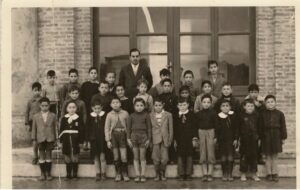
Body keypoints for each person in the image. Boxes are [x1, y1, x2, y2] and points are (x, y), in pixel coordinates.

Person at [261, 95, 287, 182]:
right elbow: (259, 127)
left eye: (272, 102)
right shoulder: (262, 114)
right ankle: (269, 173)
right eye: (268, 102)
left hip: (276, 136)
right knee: (267, 156)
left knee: (275, 156)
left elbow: (283, 126)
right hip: (266, 136)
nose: (270, 104)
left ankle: (275, 173)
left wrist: (283, 137)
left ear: (275, 103)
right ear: (265, 104)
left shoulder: (280, 114)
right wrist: (260, 138)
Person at [105, 97, 130, 182]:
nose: (115, 104)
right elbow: (107, 128)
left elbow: (129, 127)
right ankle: (118, 173)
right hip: (114, 136)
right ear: (111, 105)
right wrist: (108, 140)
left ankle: (125, 173)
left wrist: (128, 138)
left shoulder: (125, 113)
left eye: (117, 102)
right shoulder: (109, 114)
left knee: (123, 155)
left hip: (123, 135)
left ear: (120, 104)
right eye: (113, 102)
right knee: (116, 156)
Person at [127, 98, 152, 183]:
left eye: (141, 105)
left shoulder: (146, 115)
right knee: (136, 157)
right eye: (137, 105)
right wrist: (128, 139)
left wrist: (149, 139)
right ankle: (137, 175)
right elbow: (128, 129)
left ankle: (143, 175)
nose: (139, 107)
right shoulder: (131, 116)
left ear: (144, 106)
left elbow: (149, 128)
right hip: (134, 136)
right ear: (134, 106)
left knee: (142, 157)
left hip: (143, 137)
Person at [31, 97, 57, 181]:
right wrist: (34, 139)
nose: (44, 107)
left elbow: (56, 128)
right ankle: (42, 173)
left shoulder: (53, 115)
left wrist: (56, 139)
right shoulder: (36, 116)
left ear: (49, 105)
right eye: (43, 106)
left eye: (46, 105)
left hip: (50, 138)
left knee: (49, 155)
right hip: (40, 138)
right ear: (40, 106)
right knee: (41, 156)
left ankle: (48, 173)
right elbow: (34, 128)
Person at [59, 101, 84, 180]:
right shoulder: (64, 118)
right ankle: (68, 174)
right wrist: (60, 141)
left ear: (76, 109)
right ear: (66, 109)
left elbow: (82, 131)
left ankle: (75, 174)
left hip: (75, 139)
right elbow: (61, 130)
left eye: (73, 107)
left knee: (75, 156)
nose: (72, 109)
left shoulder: (79, 118)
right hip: (66, 139)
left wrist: (81, 141)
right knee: (67, 155)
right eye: (70, 107)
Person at [174, 98, 198, 181]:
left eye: (184, 105)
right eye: (180, 105)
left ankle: (188, 174)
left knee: (189, 156)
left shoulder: (192, 114)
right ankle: (181, 173)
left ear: (188, 105)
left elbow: (195, 126)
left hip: (189, 138)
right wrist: (175, 139)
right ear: (177, 106)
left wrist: (194, 138)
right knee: (180, 156)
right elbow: (174, 128)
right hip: (180, 139)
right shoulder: (176, 115)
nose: (182, 107)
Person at [238, 99, 262, 182]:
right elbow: (238, 129)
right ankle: (243, 174)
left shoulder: (257, 116)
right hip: (244, 140)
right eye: (248, 106)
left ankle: (254, 174)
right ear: (244, 107)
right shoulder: (241, 116)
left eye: (252, 106)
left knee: (254, 157)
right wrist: (238, 139)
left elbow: (260, 128)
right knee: (244, 157)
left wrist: (259, 138)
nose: (250, 107)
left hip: (254, 140)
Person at [215, 99, 239, 181]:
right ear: (220, 108)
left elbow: (236, 128)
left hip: (231, 140)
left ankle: (230, 173)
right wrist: (217, 139)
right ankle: (224, 173)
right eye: (223, 106)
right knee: (223, 157)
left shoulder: (233, 116)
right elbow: (217, 129)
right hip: (222, 140)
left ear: (230, 107)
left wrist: (236, 139)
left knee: (230, 157)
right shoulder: (218, 116)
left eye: (227, 106)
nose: (225, 108)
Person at [150, 97, 173, 181]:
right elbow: (150, 128)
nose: (158, 107)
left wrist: (170, 139)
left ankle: (162, 173)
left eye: (160, 105)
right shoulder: (151, 115)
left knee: (165, 158)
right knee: (155, 157)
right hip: (155, 138)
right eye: (156, 105)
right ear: (153, 106)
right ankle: (157, 174)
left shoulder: (168, 115)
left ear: (163, 105)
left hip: (165, 138)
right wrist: (150, 140)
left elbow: (170, 128)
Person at [195, 94, 217, 182]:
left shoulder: (214, 113)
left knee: (211, 152)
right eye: (204, 102)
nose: (206, 104)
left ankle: (210, 173)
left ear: (211, 103)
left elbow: (217, 125)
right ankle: (204, 173)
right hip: (201, 132)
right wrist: (196, 137)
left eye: (208, 102)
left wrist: (216, 136)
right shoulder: (198, 114)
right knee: (203, 152)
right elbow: (195, 126)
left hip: (211, 132)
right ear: (201, 103)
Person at [87, 100, 107, 181]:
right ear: (92, 108)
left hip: (102, 140)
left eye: (99, 108)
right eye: (95, 108)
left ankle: (103, 173)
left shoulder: (104, 116)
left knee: (102, 157)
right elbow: (87, 129)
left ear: (101, 108)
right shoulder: (90, 117)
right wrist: (88, 140)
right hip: (93, 140)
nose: (97, 110)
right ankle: (98, 173)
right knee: (96, 158)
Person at [245, 83, 265, 164]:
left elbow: (264, 112)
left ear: (258, 93)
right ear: (249, 93)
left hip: (259, 124)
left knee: (259, 141)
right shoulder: (246, 101)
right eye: (252, 92)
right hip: (249, 124)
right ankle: (250, 158)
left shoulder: (261, 102)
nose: (254, 94)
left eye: (255, 92)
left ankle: (259, 157)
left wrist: (259, 106)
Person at [25, 82, 42, 165]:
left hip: (41, 122)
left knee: (41, 140)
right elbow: (27, 112)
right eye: (35, 90)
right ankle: (35, 156)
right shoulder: (30, 101)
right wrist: (27, 124)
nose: (37, 92)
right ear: (32, 91)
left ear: (41, 91)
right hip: (32, 122)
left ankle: (41, 156)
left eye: (38, 90)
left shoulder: (43, 100)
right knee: (34, 140)